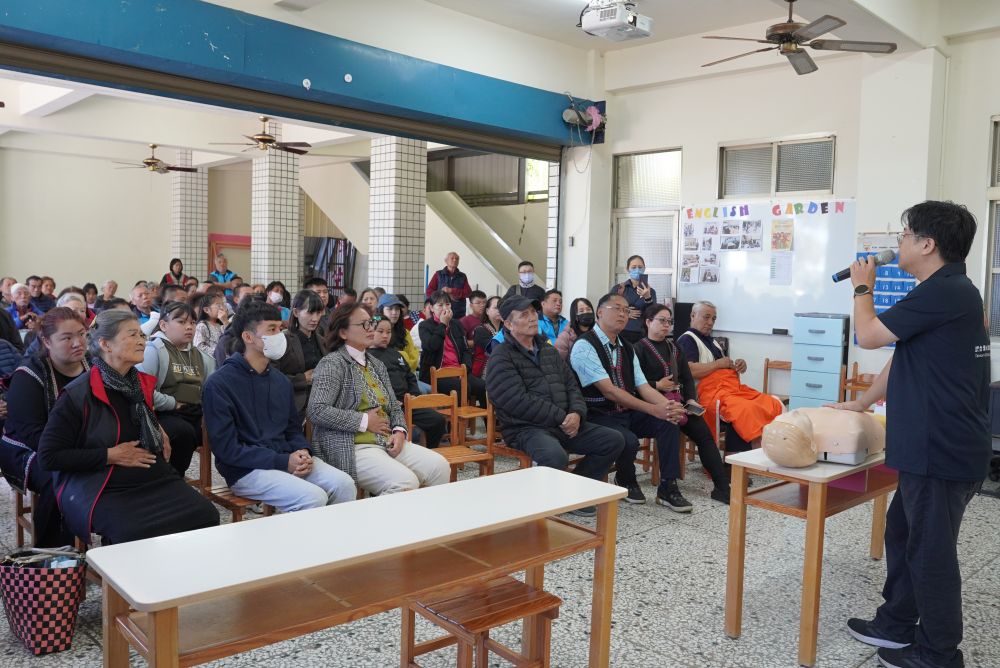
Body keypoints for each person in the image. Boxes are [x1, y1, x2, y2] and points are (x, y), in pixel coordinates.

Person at [831, 201, 990, 668]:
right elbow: (901, 353)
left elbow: (867, 335)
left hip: (940, 448)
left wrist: (862, 286)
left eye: (904, 234)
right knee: (902, 532)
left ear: (927, 244)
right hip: (934, 445)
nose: (897, 243)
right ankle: (897, 623)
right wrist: (862, 402)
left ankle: (939, 653)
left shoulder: (944, 291)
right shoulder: (945, 291)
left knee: (929, 552)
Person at [37, 309, 219, 544]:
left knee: (206, 515)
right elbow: (49, 457)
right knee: (133, 533)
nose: (142, 341)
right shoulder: (78, 395)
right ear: (105, 344)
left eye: (141, 335)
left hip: (150, 477)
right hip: (101, 483)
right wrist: (110, 455)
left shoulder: (137, 384)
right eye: (132, 335)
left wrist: (156, 426)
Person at [202, 301, 356, 512]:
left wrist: (303, 451)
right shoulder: (219, 384)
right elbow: (227, 449)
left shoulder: (280, 381)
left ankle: (334, 535)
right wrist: (283, 461)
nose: (279, 336)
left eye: (280, 328)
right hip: (245, 469)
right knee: (313, 497)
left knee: (344, 484)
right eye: (271, 329)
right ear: (248, 337)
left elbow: (292, 429)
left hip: (284, 457)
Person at [486, 296, 625, 516]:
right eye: (524, 315)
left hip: (564, 422)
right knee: (555, 455)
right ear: (509, 324)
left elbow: (572, 385)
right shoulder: (501, 357)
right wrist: (561, 417)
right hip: (526, 428)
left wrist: (576, 413)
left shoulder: (548, 351)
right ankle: (547, 502)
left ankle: (575, 493)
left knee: (614, 440)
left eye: (533, 312)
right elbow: (516, 400)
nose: (532, 318)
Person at [308, 303, 450, 495]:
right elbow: (316, 410)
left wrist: (399, 431)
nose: (371, 329)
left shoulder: (376, 364)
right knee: (405, 482)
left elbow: (394, 405)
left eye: (371, 323)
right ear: (343, 332)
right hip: (351, 445)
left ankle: (423, 515)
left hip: (386, 440)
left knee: (440, 467)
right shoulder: (332, 363)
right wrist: (364, 421)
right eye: (364, 324)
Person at [570, 293, 690, 510]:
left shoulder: (626, 346)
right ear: (599, 312)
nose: (623, 314)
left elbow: (643, 386)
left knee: (669, 421)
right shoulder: (584, 345)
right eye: (617, 308)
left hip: (625, 412)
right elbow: (609, 391)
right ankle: (625, 478)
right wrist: (653, 409)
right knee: (628, 439)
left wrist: (667, 407)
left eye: (626, 310)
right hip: (598, 414)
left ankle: (668, 486)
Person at [1, 308, 89, 546]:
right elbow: (34, 436)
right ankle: (54, 552)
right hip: (28, 449)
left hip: (83, 443)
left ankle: (118, 542)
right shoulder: (28, 376)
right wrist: (86, 455)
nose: (78, 343)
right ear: (46, 341)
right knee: (59, 476)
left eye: (82, 334)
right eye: (67, 337)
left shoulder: (95, 366)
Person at [636, 304, 730, 504]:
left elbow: (686, 377)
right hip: (652, 406)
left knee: (703, 433)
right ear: (648, 322)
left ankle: (722, 487)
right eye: (662, 320)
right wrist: (657, 384)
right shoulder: (638, 349)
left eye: (669, 321)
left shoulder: (674, 347)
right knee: (670, 424)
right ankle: (669, 486)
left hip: (679, 402)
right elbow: (634, 383)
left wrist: (690, 399)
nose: (666, 325)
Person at [676, 301, 782, 454]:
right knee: (743, 409)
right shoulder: (687, 340)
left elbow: (724, 370)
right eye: (706, 317)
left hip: (728, 390)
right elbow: (690, 370)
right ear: (693, 315)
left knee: (769, 402)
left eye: (713, 319)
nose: (710, 322)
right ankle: (733, 461)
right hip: (704, 395)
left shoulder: (713, 342)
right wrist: (719, 364)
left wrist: (737, 365)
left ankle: (759, 453)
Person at [137, 301, 215, 476]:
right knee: (183, 433)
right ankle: (171, 478)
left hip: (195, 411)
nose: (189, 327)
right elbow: (142, 390)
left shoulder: (203, 357)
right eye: (181, 322)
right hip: (163, 413)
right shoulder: (152, 351)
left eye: (192, 322)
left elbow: (211, 391)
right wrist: (173, 403)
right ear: (163, 325)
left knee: (225, 425)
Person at [368, 317, 446, 447]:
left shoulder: (396, 354)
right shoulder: (366, 357)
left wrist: (414, 396)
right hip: (385, 407)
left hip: (407, 402)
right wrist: (389, 402)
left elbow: (410, 377)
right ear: (370, 331)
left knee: (437, 420)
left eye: (388, 332)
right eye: (380, 331)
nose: (385, 336)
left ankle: (430, 451)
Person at [419, 290, 487, 407]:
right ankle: (456, 419)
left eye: (448, 304)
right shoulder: (425, 326)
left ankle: (487, 418)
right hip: (436, 374)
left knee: (482, 386)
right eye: (440, 305)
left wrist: (465, 369)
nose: (445, 308)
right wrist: (443, 324)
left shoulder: (457, 324)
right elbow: (432, 346)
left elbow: (466, 350)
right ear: (432, 308)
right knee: (462, 387)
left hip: (459, 371)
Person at [276, 290, 330, 421]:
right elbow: (272, 377)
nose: (315, 319)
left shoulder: (322, 340)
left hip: (322, 403)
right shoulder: (282, 339)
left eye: (318, 313)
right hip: (294, 404)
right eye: (310, 312)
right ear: (296, 312)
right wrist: (302, 379)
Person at [610, 255, 656, 344]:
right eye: (634, 267)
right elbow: (609, 308)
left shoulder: (651, 291)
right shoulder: (618, 289)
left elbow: (653, 314)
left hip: (642, 335)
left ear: (644, 269)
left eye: (640, 267)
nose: (637, 270)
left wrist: (648, 297)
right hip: (620, 333)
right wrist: (625, 311)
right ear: (628, 269)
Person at [377, 294, 419, 371]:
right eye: (390, 309)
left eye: (397, 309)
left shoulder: (405, 333)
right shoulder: (374, 333)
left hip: (404, 374)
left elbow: (414, 360)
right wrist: (402, 356)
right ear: (381, 310)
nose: (394, 312)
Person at [425, 252, 472, 318]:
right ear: (446, 261)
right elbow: (429, 291)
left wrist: (451, 290)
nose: (455, 260)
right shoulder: (438, 274)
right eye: (452, 258)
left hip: (458, 313)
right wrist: (440, 296)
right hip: (441, 312)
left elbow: (468, 293)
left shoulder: (462, 276)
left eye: (457, 259)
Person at [471, 296, 502, 378]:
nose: (499, 310)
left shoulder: (507, 329)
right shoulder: (480, 330)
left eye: (502, 307)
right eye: (496, 308)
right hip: (485, 371)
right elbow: (496, 349)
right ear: (487, 311)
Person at [192, 292, 228, 358]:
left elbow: (230, 338)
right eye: (218, 305)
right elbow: (198, 346)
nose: (222, 308)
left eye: (223, 305)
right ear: (206, 310)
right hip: (211, 360)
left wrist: (225, 321)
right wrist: (218, 353)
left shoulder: (221, 325)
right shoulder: (202, 325)